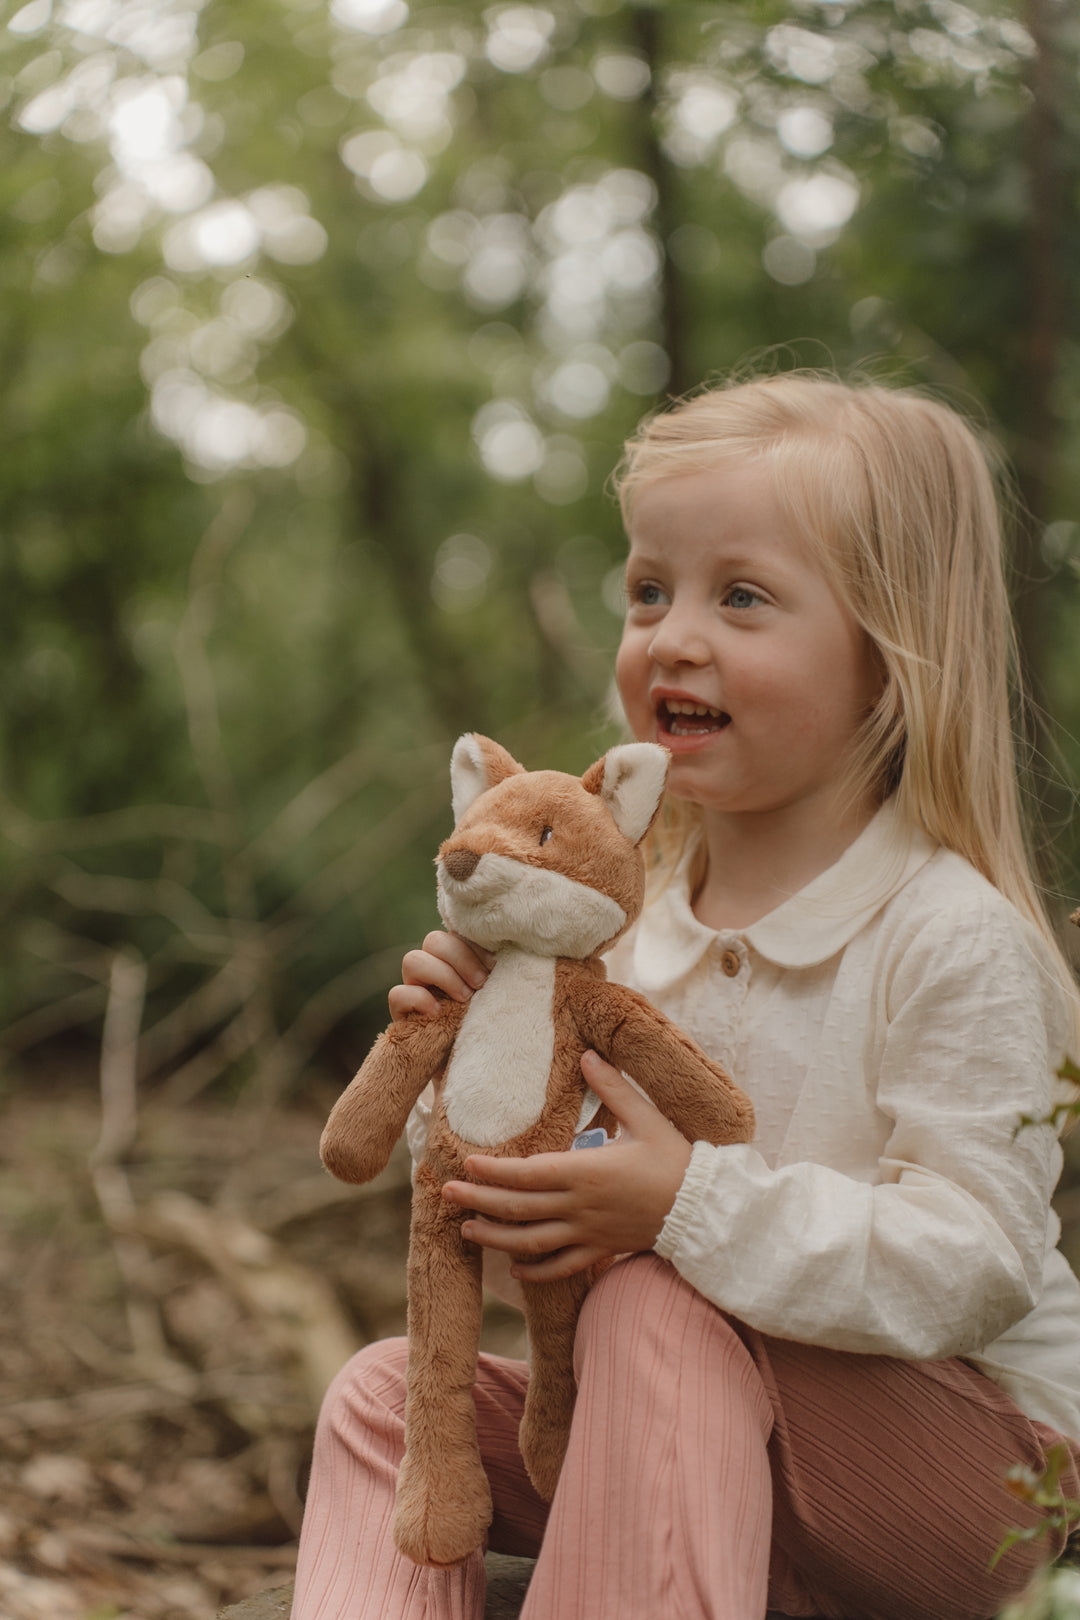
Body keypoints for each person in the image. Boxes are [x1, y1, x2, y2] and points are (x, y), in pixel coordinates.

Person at [291, 374, 1080, 1620]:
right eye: (649, 589)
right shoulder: (620, 939)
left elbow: (975, 1264)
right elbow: (546, 1221)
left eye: (743, 596)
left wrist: (684, 1208)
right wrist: (467, 1072)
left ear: (889, 652)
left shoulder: (952, 938)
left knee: (663, 1297)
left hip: (984, 1490)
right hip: (686, 1435)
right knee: (385, 1397)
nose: (672, 635)